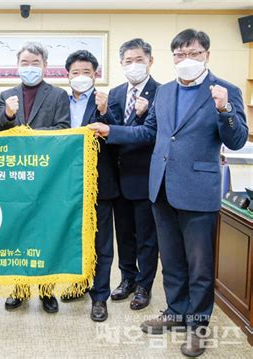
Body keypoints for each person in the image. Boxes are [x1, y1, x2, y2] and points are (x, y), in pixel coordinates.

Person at [89, 29, 248, 357]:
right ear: (172, 57)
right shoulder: (165, 92)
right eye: (179, 54)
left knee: (199, 264)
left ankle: (198, 324)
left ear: (207, 54)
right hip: (160, 187)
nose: (186, 59)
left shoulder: (224, 90)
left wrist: (224, 111)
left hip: (198, 190)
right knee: (171, 261)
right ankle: (176, 312)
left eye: (194, 53)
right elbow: (148, 132)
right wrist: (111, 129)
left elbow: (235, 141)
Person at [0, 41, 70, 313]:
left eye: (35, 63)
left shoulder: (58, 95)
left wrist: (31, 138)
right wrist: (8, 115)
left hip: (48, 176)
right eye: (24, 63)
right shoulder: (7, 95)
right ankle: (19, 289)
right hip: (16, 177)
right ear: (17, 66)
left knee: (46, 233)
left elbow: (63, 129)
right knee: (17, 232)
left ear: (45, 66)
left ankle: (47, 290)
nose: (30, 68)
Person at [58, 50, 119, 323]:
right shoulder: (60, 100)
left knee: (102, 242)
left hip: (101, 183)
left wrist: (106, 113)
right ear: (67, 75)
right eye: (75, 73)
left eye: (86, 72)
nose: (80, 77)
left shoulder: (108, 100)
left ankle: (99, 297)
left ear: (96, 74)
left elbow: (120, 135)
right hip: (67, 184)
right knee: (74, 240)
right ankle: (80, 284)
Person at [105, 39, 160, 311]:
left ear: (150, 61)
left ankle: (144, 285)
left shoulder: (162, 93)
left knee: (147, 238)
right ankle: (127, 279)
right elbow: (113, 132)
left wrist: (140, 116)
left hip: (146, 178)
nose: (134, 65)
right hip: (118, 180)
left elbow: (150, 135)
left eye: (139, 60)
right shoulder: (114, 93)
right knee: (124, 235)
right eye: (128, 61)